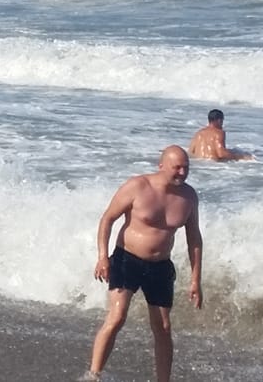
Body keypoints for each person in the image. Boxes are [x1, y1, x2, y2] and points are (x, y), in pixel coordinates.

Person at [86, 145, 203, 382]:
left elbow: (194, 238)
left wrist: (195, 279)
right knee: (117, 317)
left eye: (186, 168)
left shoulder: (189, 196)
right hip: (126, 259)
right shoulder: (137, 186)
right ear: (161, 166)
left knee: (163, 327)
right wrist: (102, 257)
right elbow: (107, 219)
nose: (182, 173)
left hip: (160, 266)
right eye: (177, 167)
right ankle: (94, 375)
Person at [187, 108, 254, 162]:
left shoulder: (198, 133)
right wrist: (240, 157)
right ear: (219, 120)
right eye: (222, 121)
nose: (222, 124)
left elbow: (190, 152)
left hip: (199, 164)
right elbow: (221, 154)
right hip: (213, 165)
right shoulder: (219, 133)